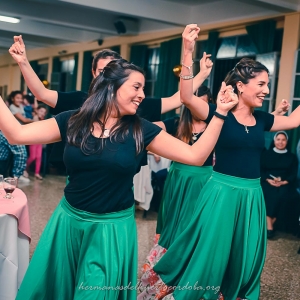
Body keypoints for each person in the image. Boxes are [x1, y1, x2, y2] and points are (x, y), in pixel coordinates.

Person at [0, 59, 237, 299]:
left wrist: (220, 114)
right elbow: (16, 133)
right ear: (112, 87)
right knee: (53, 291)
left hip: (110, 231)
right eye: (136, 87)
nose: (142, 95)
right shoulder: (74, 120)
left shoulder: (141, 130)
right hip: (68, 223)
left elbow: (195, 156)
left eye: (143, 89)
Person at [138, 24, 300, 300]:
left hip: (251, 195)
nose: (266, 90)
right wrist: (188, 53)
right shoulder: (217, 113)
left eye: (267, 84)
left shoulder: (263, 120)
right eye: (261, 84)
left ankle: (234, 291)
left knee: (244, 252)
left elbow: (295, 119)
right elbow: (187, 96)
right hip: (221, 192)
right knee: (211, 250)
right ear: (240, 85)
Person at [261, 131, 299, 238]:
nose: (280, 142)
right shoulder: (266, 154)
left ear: (287, 141)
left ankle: (269, 224)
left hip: (285, 182)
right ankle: (270, 228)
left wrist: (284, 182)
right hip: (268, 181)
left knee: (286, 196)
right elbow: (261, 170)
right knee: (268, 194)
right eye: (278, 139)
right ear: (274, 141)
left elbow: (293, 173)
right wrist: (268, 180)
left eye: (283, 140)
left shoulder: (291, 157)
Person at [26, 105, 48, 180]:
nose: (43, 113)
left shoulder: (42, 119)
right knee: (33, 157)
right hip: (33, 140)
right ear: (37, 111)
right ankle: (25, 169)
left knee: (38, 157)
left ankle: (37, 173)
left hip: (39, 141)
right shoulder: (35, 118)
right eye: (41, 111)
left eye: (44, 112)